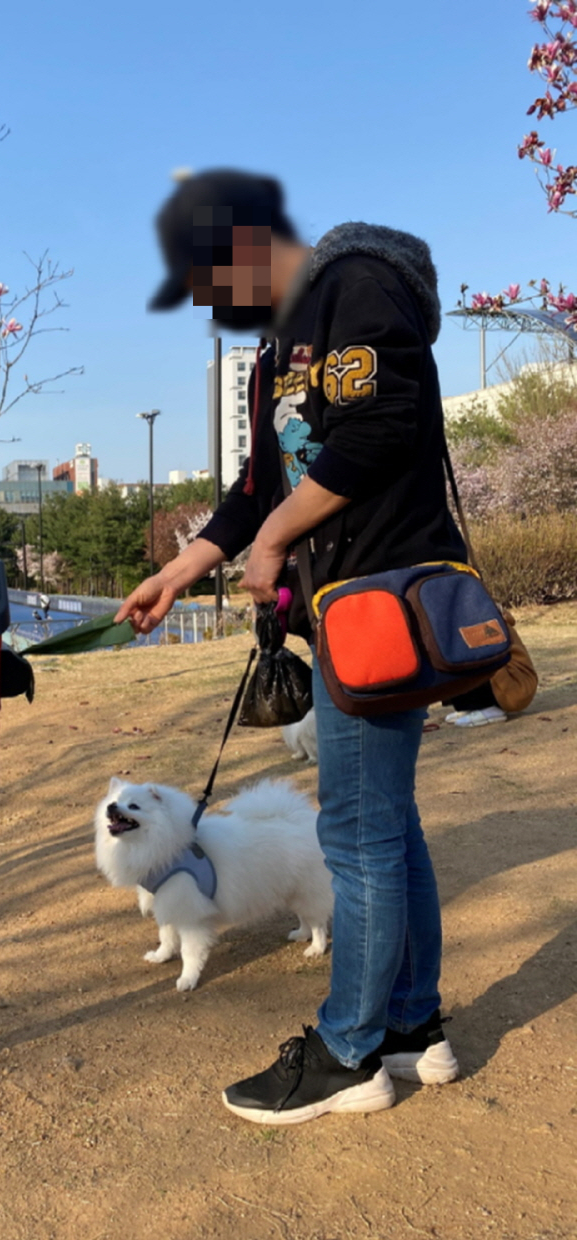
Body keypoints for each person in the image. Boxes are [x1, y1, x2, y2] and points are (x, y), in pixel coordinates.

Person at [116, 170, 463, 1124]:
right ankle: (413, 1026)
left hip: (380, 599)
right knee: (389, 829)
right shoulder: (279, 347)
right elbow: (259, 484)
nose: (210, 308)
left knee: (355, 835)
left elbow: (387, 422)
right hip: (347, 610)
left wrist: (274, 543)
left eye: (209, 283)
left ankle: (351, 1051)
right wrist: (185, 567)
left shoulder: (356, 281)